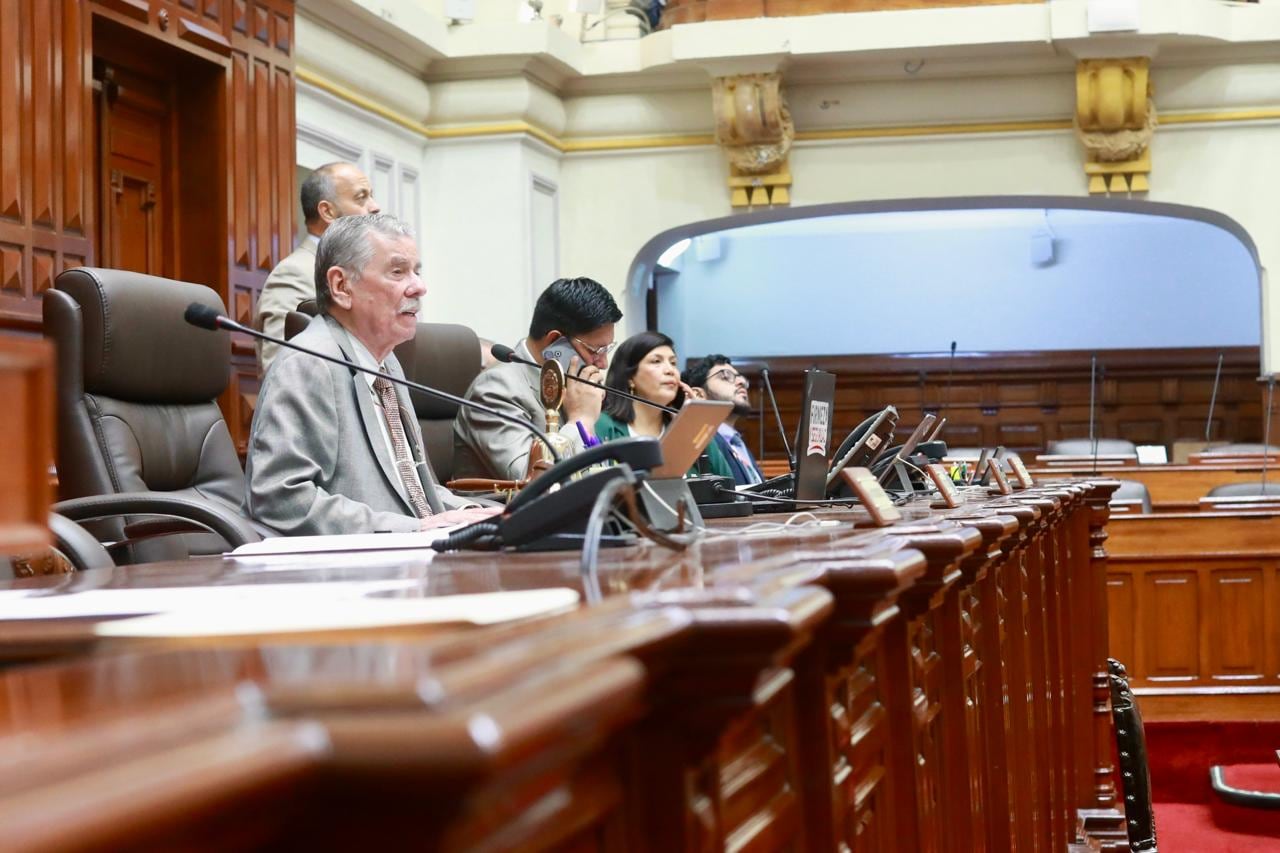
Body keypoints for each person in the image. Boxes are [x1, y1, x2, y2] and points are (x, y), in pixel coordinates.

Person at [244, 213, 498, 536]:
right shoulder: (308, 364)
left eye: (417, 271)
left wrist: (471, 512)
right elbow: (281, 499)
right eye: (398, 272)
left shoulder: (386, 364)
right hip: (344, 572)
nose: (419, 286)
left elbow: (413, 494)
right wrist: (412, 530)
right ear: (341, 286)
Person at [453, 277, 622, 480]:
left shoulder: (573, 386)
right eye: (595, 350)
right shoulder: (496, 389)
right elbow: (531, 481)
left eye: (607, 349)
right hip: (501, 509)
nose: (603, 363)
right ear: (555, 342)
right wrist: (580, 420)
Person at [255, 162, 381, 376]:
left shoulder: (361, 271)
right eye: (361, 198)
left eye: (371, 196)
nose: (375, 206)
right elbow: (282, 371)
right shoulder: (294, 273)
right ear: (328, 211)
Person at [594, 332, 733, 479]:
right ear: (630, 378)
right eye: (656, 361)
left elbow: (727, 483)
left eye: (673, 363)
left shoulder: (682, 429)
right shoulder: (603, 426)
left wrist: (695, 423)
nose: (670, 370)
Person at [682, 354, 764, 486]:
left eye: (740, 377)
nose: (741, 382)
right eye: (726, 376)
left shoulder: (737, 443)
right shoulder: (700, 442)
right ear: (698, 394)